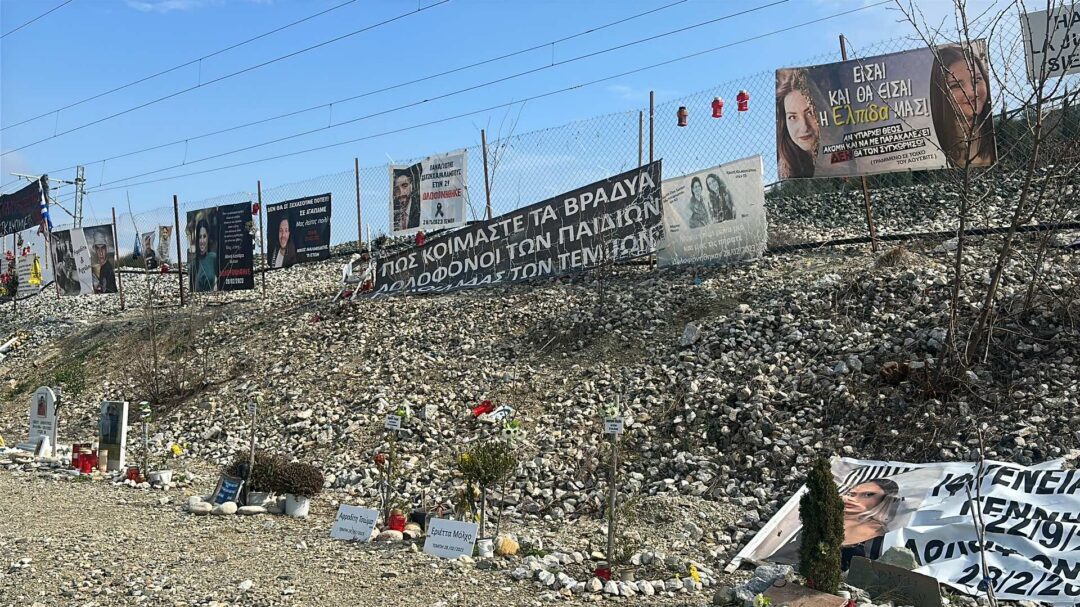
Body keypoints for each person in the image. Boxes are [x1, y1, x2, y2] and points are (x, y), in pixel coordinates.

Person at [931, 44, 996, 168]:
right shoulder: (936, 146)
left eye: (977, 80)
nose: (972, 92)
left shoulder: (998, 140)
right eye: (956, 86)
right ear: (940, 94)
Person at [776, 68, 820, 179]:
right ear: (784, 122)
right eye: (792, 117)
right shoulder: (785, 169)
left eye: (810, 113)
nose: (804, 127)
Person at [189, 218, 218, 293]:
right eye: (199, 237)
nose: (202, 241)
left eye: (204, 236)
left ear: (208, 237)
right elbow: (191, 290)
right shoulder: (193, 264)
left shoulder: (214, 258)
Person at [392, 166, 421, 232]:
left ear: (411, 186)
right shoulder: (395, 213)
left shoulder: (419, 210)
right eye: (397, 189)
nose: (401, 193)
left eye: (404, 186)